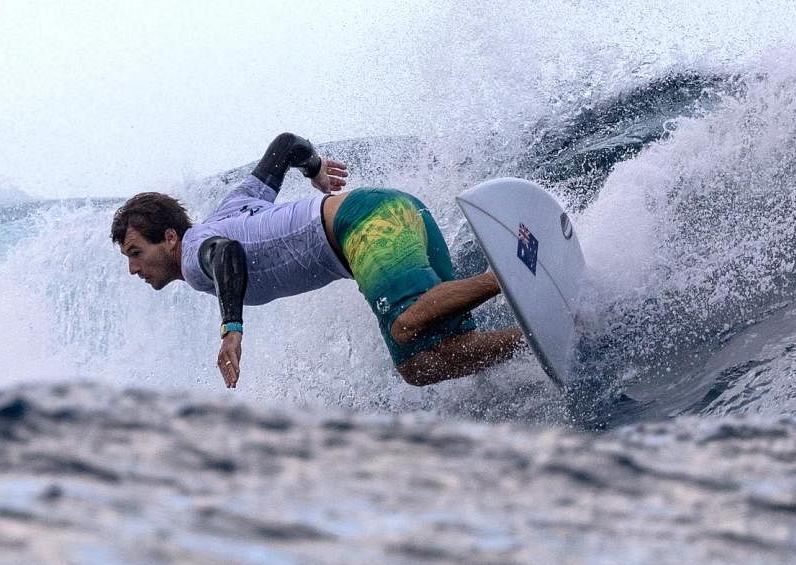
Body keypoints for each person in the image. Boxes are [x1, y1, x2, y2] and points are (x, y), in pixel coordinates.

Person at [111, 133, 522, 388]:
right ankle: (529, 340)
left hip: (365, 225)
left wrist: (232, 330)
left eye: (136, 253)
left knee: (406, 323)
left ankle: (510, 270)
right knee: (419, 363)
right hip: (394, 211)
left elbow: (227, 255)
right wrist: (315, 168)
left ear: (169, 238)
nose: (133, 269)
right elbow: (286, 145)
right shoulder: (233, 206)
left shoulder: (195, 260)